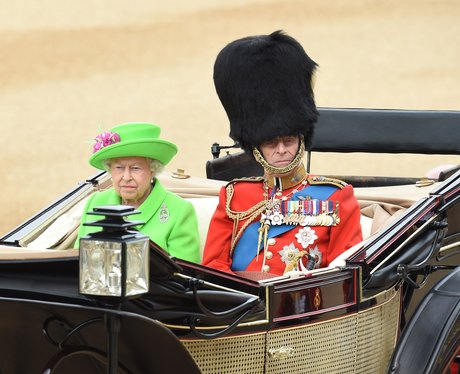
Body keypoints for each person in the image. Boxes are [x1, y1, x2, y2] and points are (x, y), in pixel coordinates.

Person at [202, 31, 363, 277]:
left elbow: (344, 272)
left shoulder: (336, 197)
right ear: (255, 146)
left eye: (288, 140)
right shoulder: (234, 196)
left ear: (301, 139)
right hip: (242, 308)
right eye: (270, 143)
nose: (281, 150)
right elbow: (213, 267)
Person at [75, 122, 201, 263]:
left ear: (152, 170)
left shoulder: (179, 211)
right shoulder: (95, 203)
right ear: (110, 170)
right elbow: (77, 261)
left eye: (135, 168)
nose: (127, 177)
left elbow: (184, 276)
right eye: (119, 167)